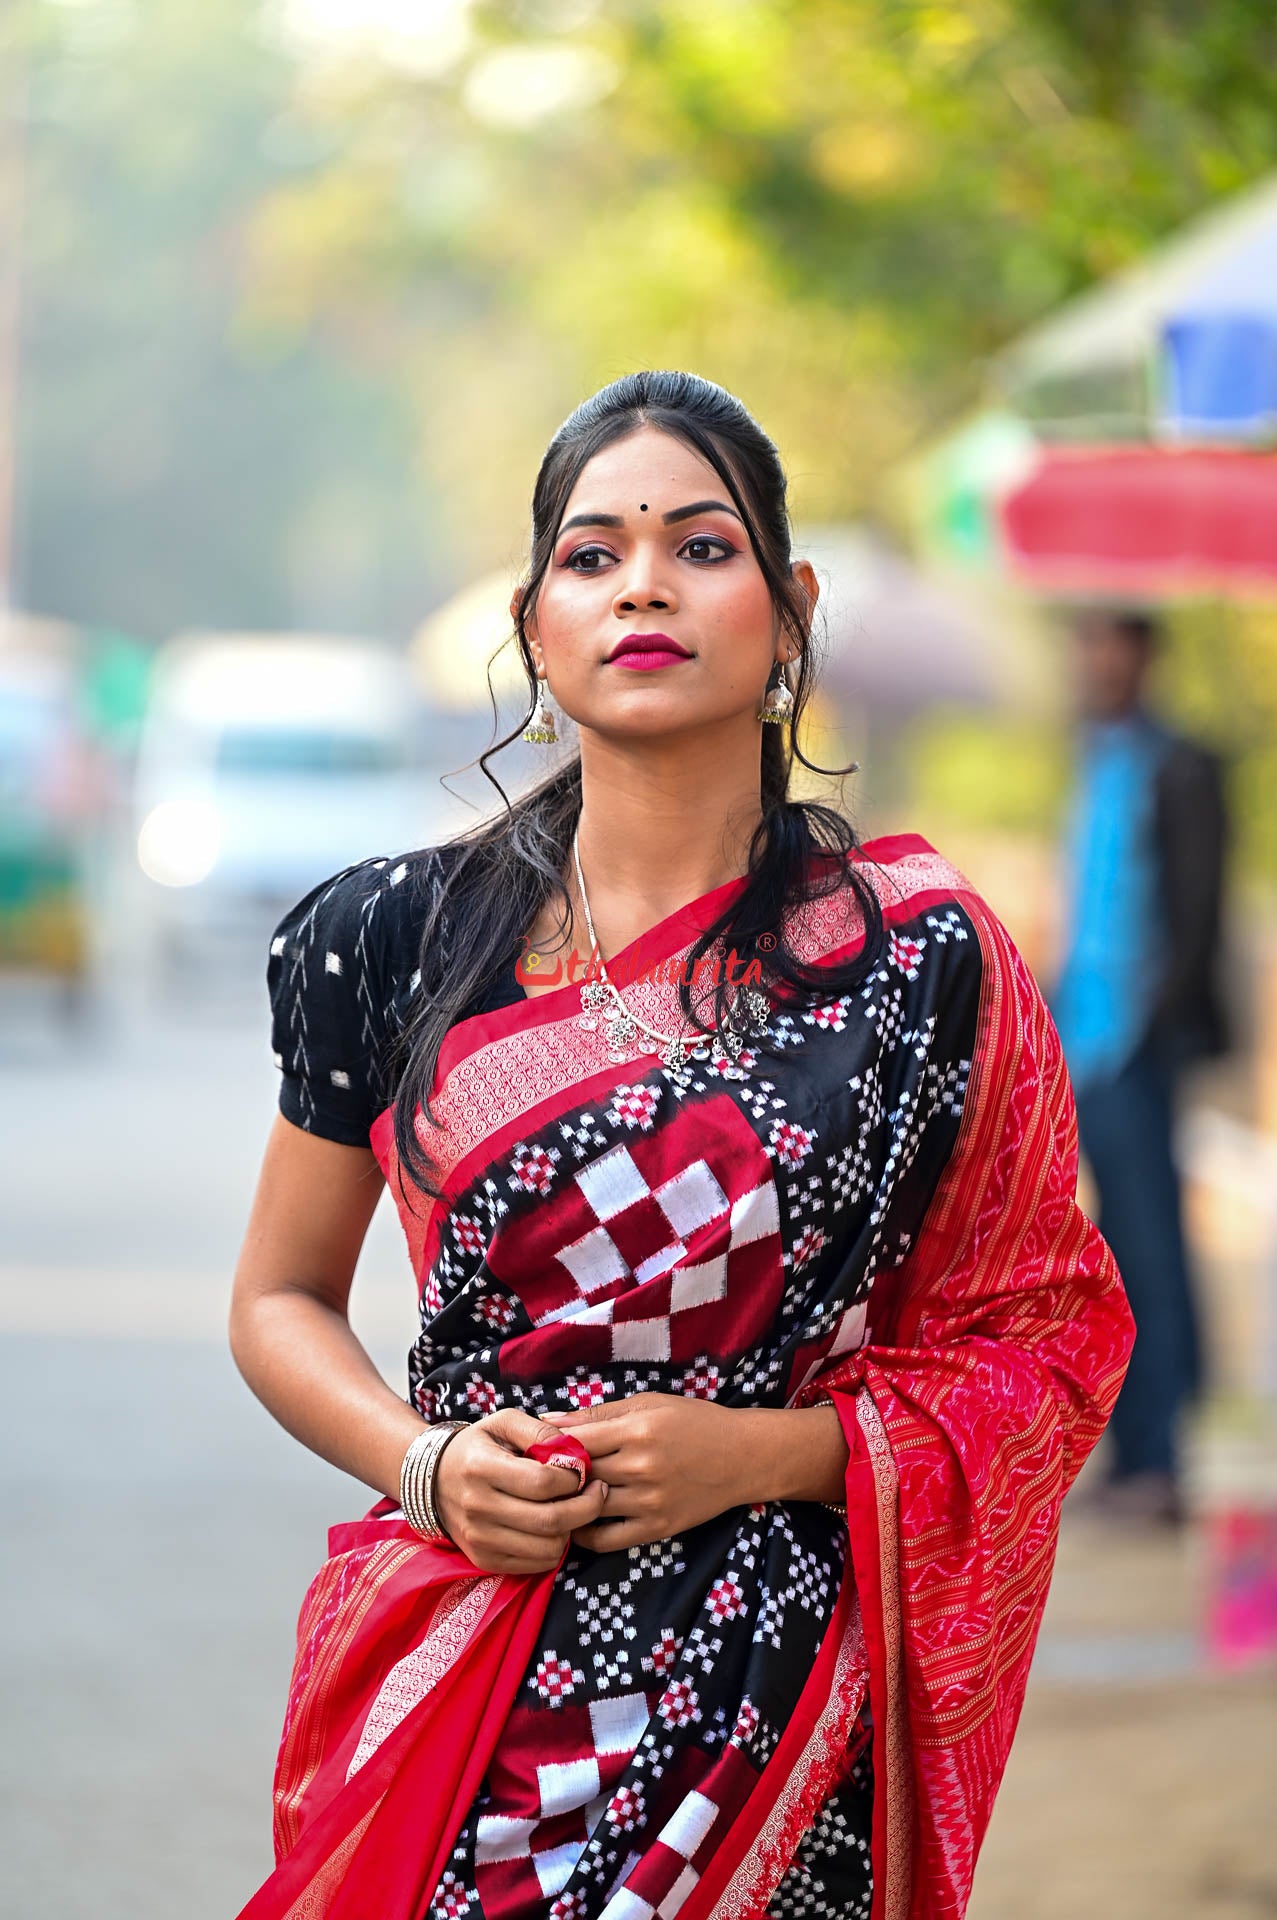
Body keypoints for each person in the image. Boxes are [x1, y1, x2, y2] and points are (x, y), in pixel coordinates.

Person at [227, 370, 1134, 1920]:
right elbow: (279, 1299)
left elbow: (1046, 1339)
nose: (641, 582)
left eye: (700, 547)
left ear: (789, 612)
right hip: (466, 1670)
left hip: (779, 1707)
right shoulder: (386, 936)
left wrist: (770, 1453)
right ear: (535, 622)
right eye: (592, 555)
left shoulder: (920, 961)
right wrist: (424, 1462)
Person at [1052, 606, 1229, 1525]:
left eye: (1114, 644)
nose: (1099, 660)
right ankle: (1127, 1460)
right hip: (1081, 1042)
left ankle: (1158, 1463)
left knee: (1149, 1255)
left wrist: (1147, 1025)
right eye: (1089, 642)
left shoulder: (1181, 765)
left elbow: (1195, 918)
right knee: (1102, 1257)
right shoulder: (1093, 760)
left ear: (1145, 656)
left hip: (1138, 1049)